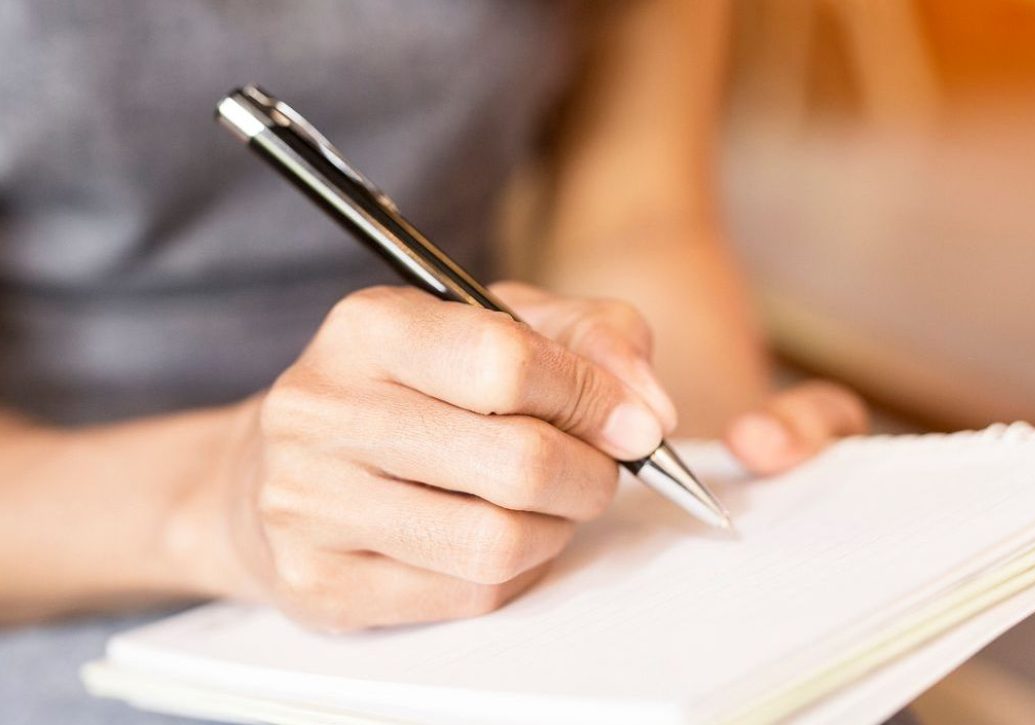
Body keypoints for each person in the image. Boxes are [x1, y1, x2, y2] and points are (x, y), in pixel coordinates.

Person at [0, 1, 873, 722]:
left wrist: (715, 446)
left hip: (490, 478)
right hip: (80, 550)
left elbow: (635, 222)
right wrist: (221, 503)